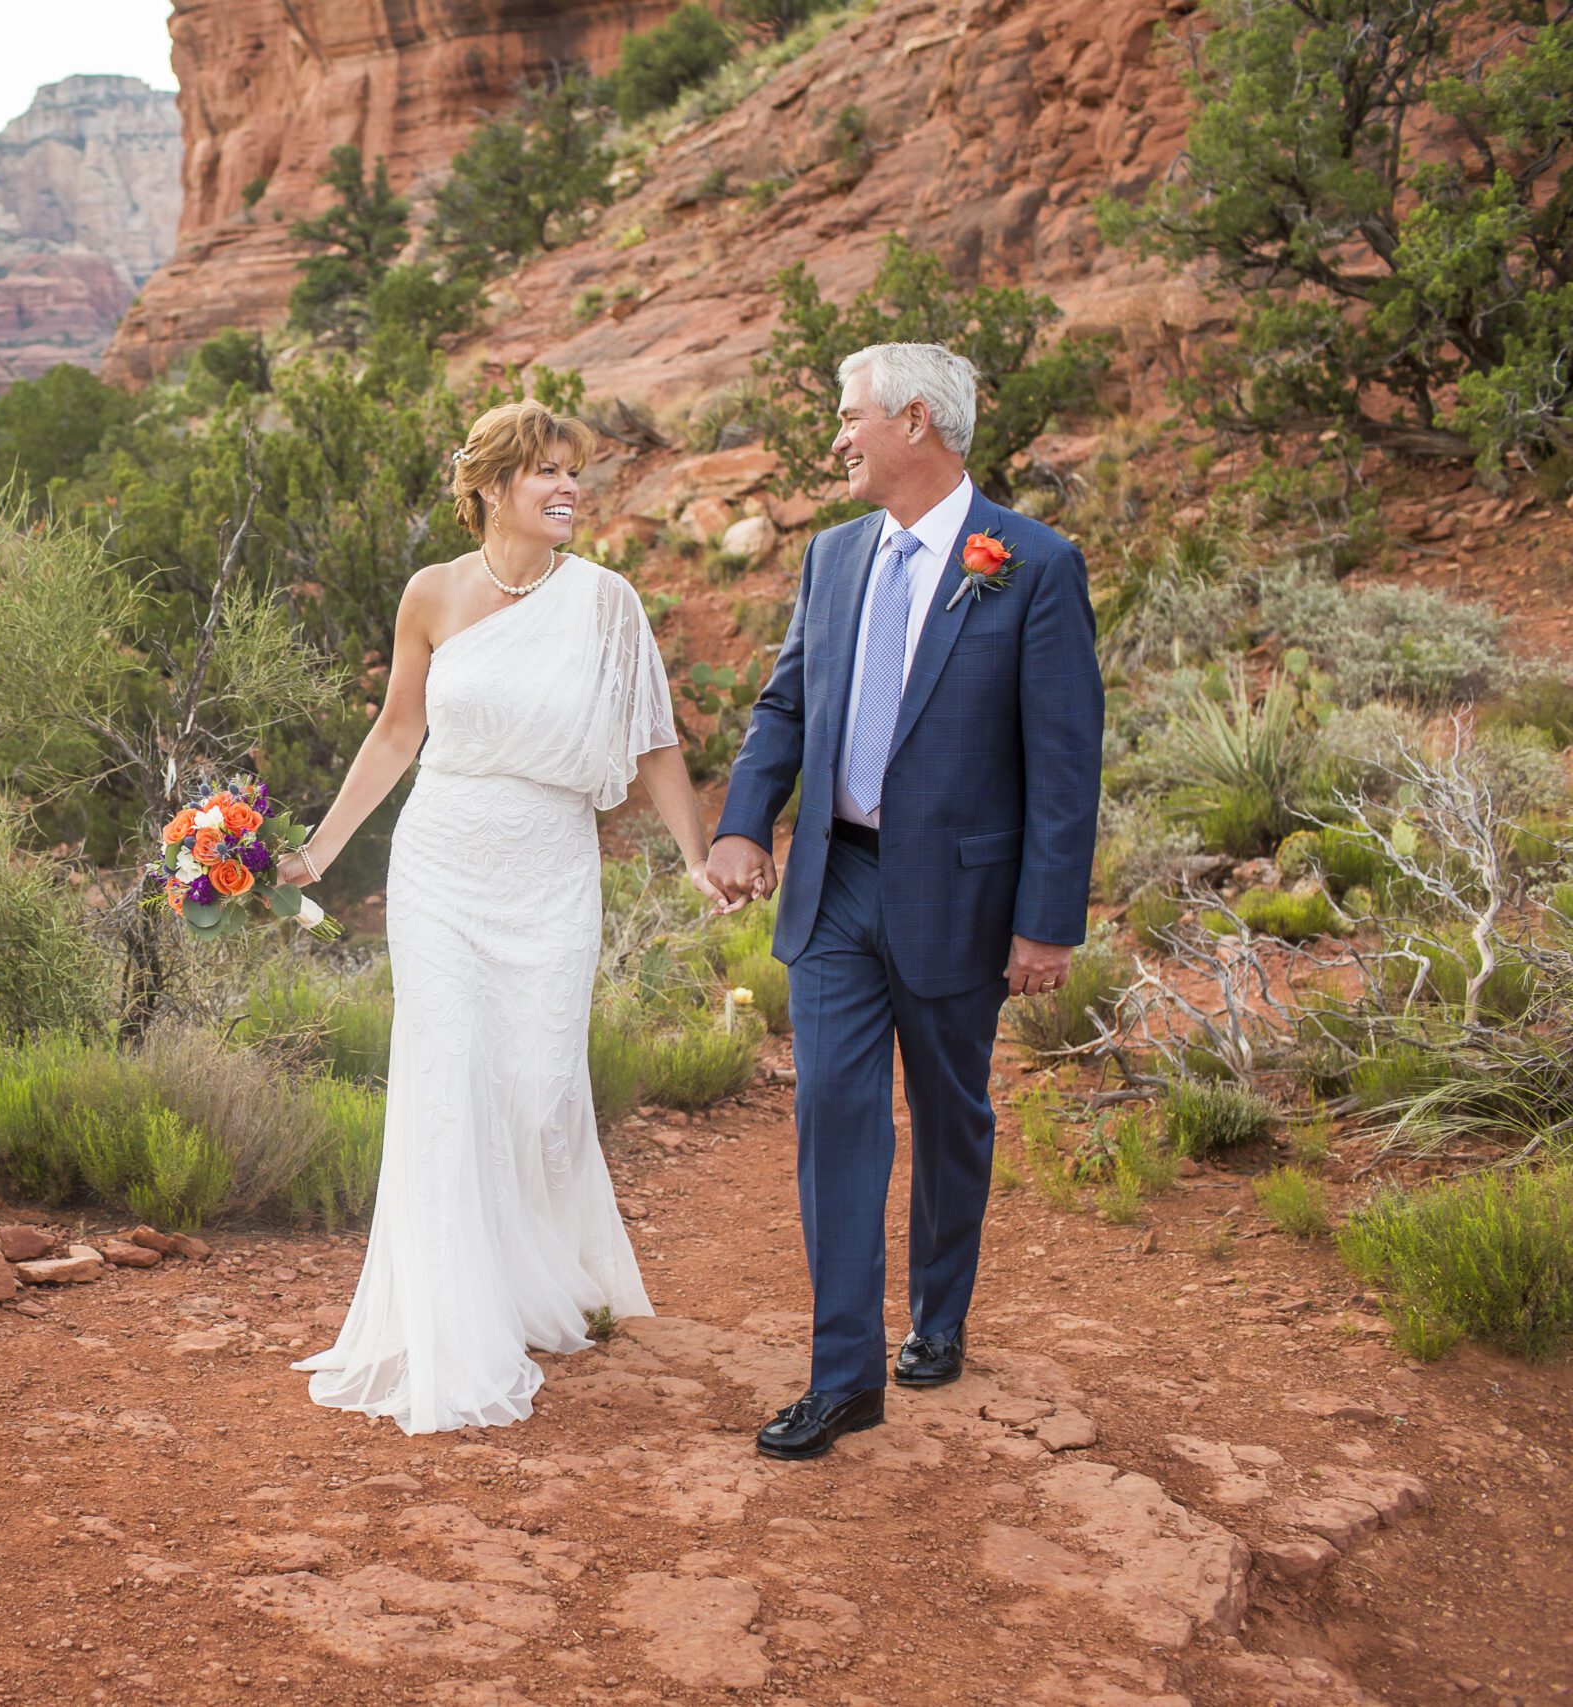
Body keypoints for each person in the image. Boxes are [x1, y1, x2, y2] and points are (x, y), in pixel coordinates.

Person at [705, 342, 1104, 1461]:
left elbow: (1065, 765)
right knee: (833, 1116)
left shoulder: (1031, 564)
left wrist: (1044, 922)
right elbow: (784, 705)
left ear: (915, 422)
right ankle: (843, 1378)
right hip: (835, 885)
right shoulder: (832, 559)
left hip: (963, 900)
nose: (836, 437)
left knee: (950, 1119)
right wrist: (745, 820)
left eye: (850, 417)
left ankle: (940, 1310)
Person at [282, 399, 712, 1435]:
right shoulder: (431, 593)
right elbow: (396, 733)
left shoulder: (607, 603)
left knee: (534, 1083)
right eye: (545, 473)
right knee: (447, 1085)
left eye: (575, 474)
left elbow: (653, 743)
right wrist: (315, 854)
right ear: (488, 488)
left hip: (550, 865)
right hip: (442, 858)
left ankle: (525, 1279)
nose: (568, 490)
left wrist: (697, 857)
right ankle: (450, 1321)